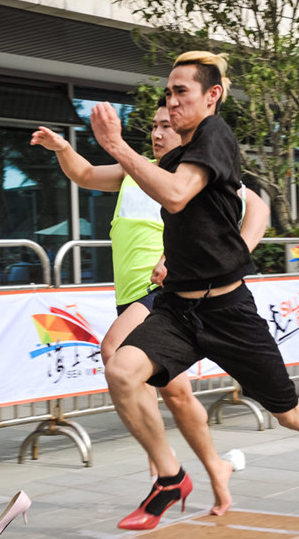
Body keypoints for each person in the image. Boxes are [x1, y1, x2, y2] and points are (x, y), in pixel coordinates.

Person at [87, 51, 299, 533]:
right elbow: (178, 201)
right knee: (122, 368)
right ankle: (169, 478)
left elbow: (179, 194)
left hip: (228, 310)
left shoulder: (215, 136)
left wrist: (118, 146)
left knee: (292, 415)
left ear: (212, 96)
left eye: (181, 91)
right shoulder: (176, 153)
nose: (172, 101)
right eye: (168, 92)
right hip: (178, 310)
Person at [30, 97, 268, 517]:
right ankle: (217, 472)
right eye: (153, 127)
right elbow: (84, 174)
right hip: (131, 296)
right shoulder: (132, 171)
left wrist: (222, 259)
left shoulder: (196, 174)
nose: (158, 133)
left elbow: (259, 211)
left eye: (167, 126)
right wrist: (63, 149)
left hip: (167, 290)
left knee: (114, 353)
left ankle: (168, 474)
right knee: (176, 395)